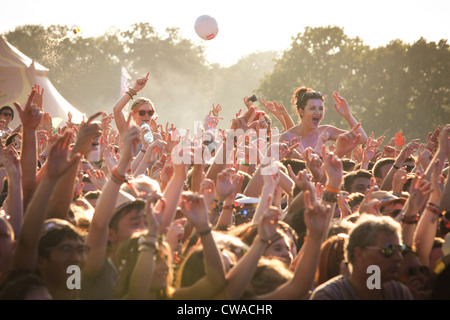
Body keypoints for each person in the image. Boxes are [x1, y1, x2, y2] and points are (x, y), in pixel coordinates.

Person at [310, 214, 413, 299]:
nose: (398, 257)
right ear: (359, 253)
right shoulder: (329, 296)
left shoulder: (398, 293)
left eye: (400, 249)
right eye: (388, 250)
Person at [280, 87, 368, 152]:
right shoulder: (286, 137)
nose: (318, 112)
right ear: (301, 111)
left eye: (321, 108)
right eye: (312, 108)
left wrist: (348, 115)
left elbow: (362, 139)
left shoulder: (326, 131)